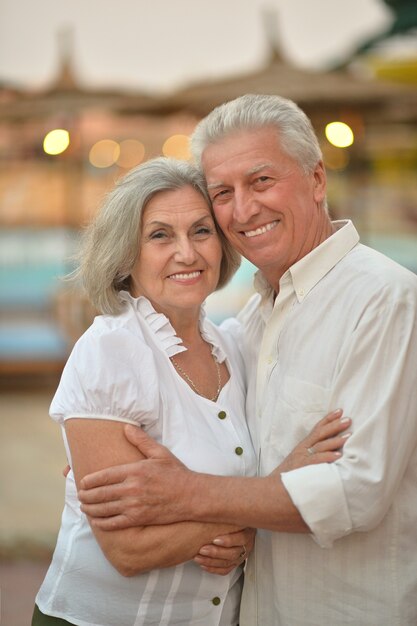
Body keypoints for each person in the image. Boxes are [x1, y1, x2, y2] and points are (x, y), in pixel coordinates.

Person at [78, 95, 417, 626]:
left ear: (317, 180)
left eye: (261, 182)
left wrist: (189, 493)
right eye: (223, 193)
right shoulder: (248, 327)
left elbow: (357, 492)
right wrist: (96, 438)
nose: (243, 209)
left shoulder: (386, 299)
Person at [32, 156, 349, 626]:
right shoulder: (110, 351)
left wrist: (231, 524)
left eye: (201, 232)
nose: (187, 253)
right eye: (160, 235)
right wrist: (268, 500)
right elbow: (127, 549)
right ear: (126, 253)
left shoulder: (233, 348)